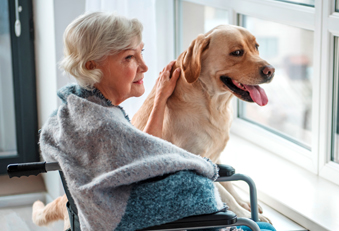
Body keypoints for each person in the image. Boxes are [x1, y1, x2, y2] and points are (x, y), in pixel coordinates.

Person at [39, 12, 226, 231]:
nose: (144, 66)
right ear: (92, 67)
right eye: (129, 57)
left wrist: (160, 99)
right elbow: (149, 161)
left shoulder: (81, 109)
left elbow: (140, 153)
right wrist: (205, 167)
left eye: (141, 52)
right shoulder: (103, 125)